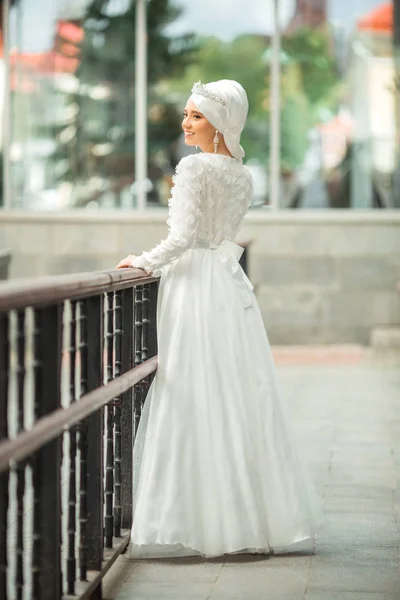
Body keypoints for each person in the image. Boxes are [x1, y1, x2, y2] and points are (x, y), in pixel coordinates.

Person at [115, 79, 321, 558]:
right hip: (226, 286)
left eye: (197, 116)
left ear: (220, 124)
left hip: (194, 284)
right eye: (186, 114)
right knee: (234, 391)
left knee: (190, 390)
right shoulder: (240, 173)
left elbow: (184, 235)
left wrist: (143, 260)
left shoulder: (194, 168)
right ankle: (249, 517)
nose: (186, 123)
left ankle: (196, 517)